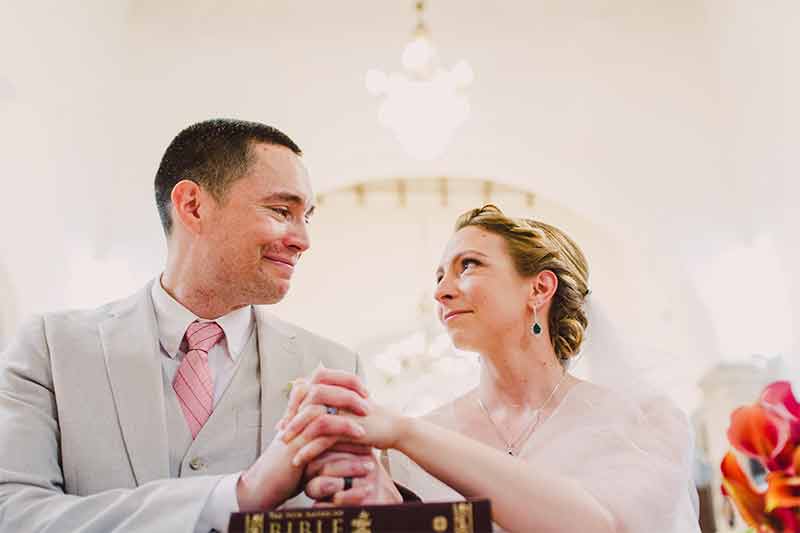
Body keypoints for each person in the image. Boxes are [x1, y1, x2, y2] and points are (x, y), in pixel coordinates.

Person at [0, 119, 400, 533]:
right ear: (193, 205)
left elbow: (367, 516)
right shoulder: (51, 349)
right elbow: (13, 514)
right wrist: (237, 495)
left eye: (306, 217)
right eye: (282, 211)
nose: (303, 239)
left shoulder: (333, 366)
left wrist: (380, 505)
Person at [279, 205, 701, 532]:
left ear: (539, 287)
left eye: (469, 265)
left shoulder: (644, 424)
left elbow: (599, 524)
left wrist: (404, 431)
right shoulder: (404, 453)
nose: (442, 292)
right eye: (440, 275)